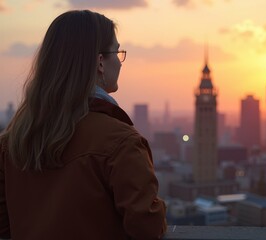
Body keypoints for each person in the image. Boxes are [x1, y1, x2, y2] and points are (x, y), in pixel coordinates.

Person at [0, 10, 167, 240]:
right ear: (100, 62)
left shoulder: (13, 141)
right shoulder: (121, 142)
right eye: (117, 52)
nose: (120, 63)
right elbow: (147, 227)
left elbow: (4, 227)